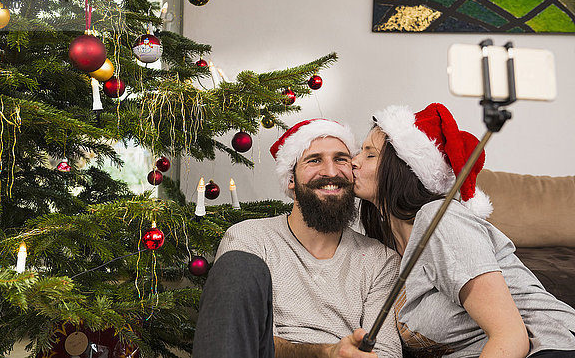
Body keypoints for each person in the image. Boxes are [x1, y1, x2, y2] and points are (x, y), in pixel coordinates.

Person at [351, 103, 575, 358]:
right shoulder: (387, 249)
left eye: (370, 155)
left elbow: (510, 336)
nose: (354, 161)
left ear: (403, 170)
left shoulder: (439, 219)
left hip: (550, 348)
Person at [193, 118, 402, 358]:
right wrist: (326, 352)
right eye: (314, 160)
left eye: (341, 159)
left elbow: (386, 352)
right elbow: (244, 342)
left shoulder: (381, 260)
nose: (331, 172)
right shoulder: (249, 238)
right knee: (238, 264)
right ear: (291, 179)